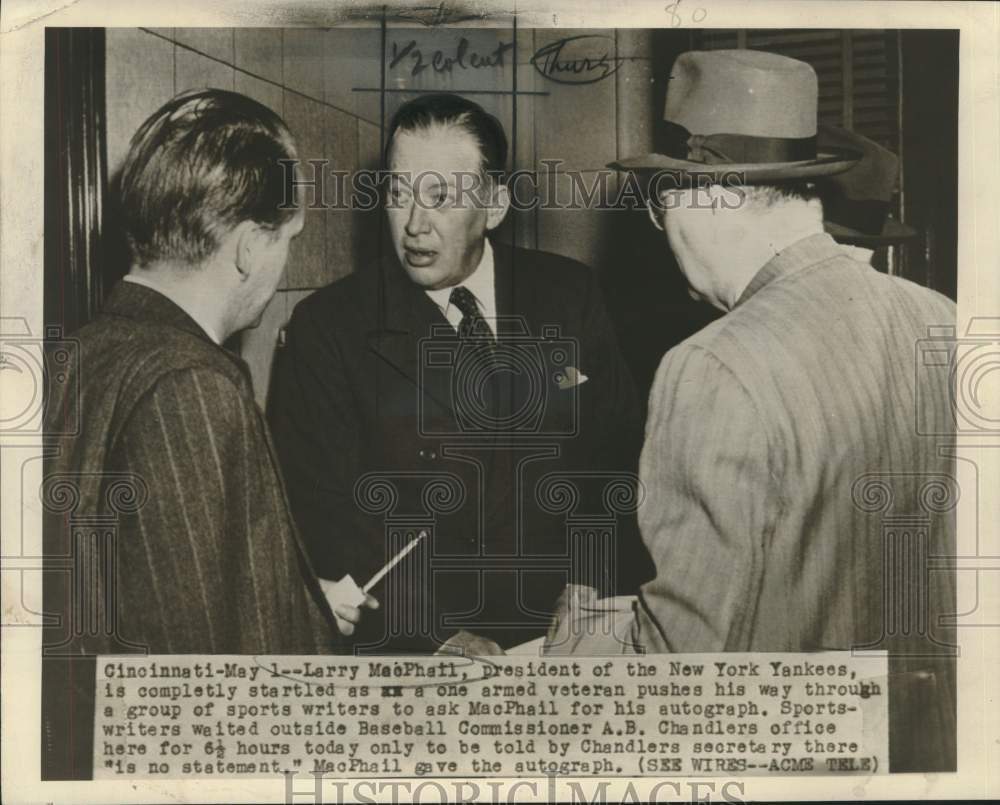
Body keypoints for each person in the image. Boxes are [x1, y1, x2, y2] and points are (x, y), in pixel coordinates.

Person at [605, 49, 956, 769]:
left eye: (660, 199)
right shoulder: (947, 321)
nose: (662, 228)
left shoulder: (710, 366)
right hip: (930, 756)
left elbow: (679, 676)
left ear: (716, 194)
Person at [42, 89, 371, 777]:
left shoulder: (78, 354)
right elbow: (189, 693)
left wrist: (298, 596)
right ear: (251, 246)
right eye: (287, 241)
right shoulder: (191, 385)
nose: (281, 263)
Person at [270, 92, 651, 653]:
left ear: (494, 207)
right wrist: (435, 633)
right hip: (418, 646)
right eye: (399, 194)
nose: (415, 225)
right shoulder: (328, 328)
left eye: (441, 197)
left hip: (566, 631)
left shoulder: (568, 295)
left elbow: (617, 454)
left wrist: (591, 582)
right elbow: (319, 511)